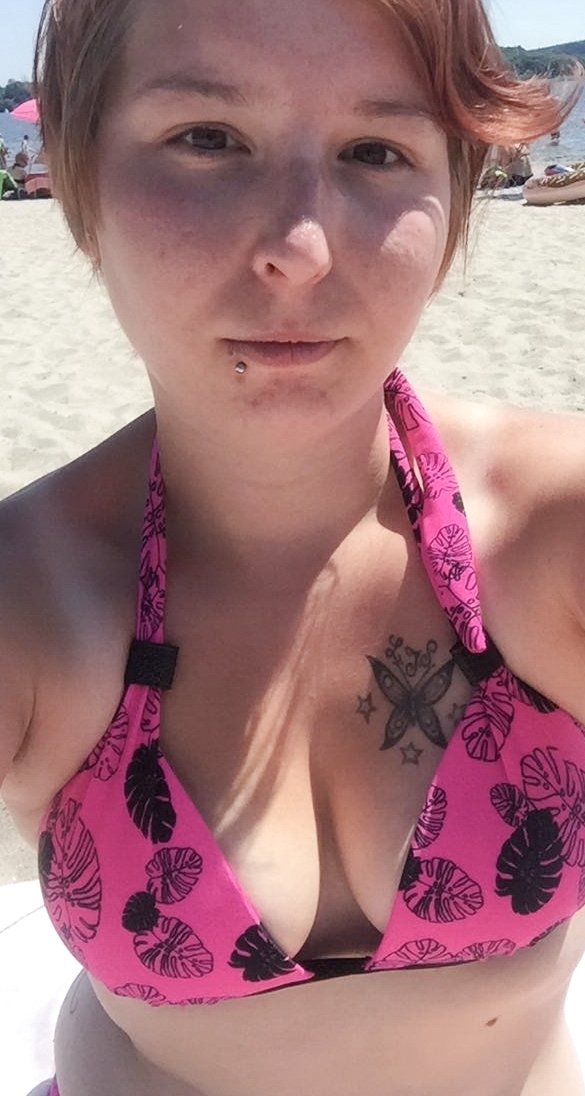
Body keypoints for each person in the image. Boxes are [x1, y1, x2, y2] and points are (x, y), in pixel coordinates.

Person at [1, 2, 584, 1095]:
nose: (299, 252)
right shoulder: (30, 597)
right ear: (81, 185)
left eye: (376, 151)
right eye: (207, 138)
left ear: (453, 200)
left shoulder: (555, 531)